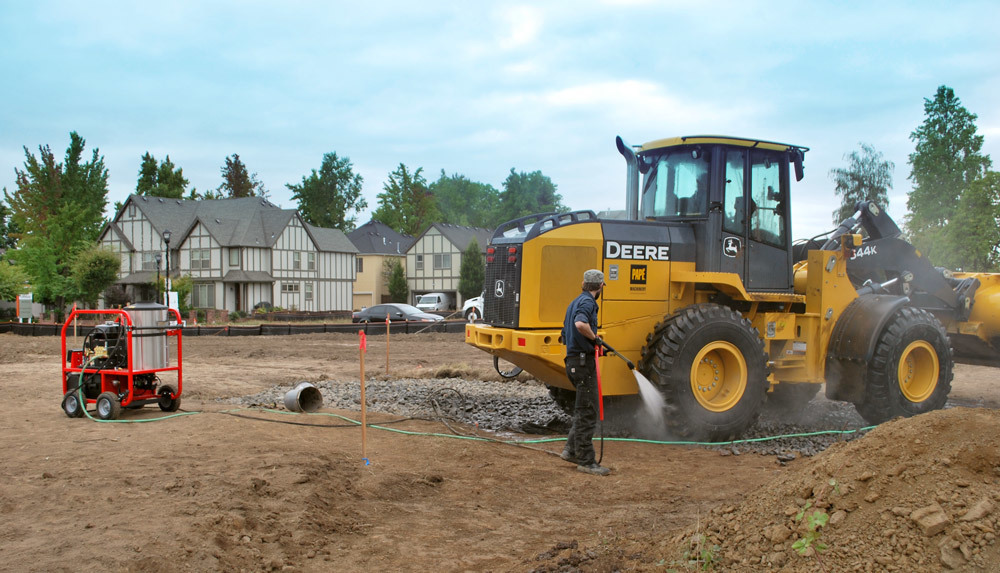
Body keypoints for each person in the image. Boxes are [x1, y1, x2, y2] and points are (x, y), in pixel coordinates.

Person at [560, 269, 611, 476]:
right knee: (588, 412)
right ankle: (586, 461)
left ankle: (571, 450)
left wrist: (591, 345)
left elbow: (565, 334)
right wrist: (594, 339)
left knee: (582, 409)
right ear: (600, 287)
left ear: (583, 283)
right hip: (582, 364)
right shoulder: (588, 303)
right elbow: (580, 324)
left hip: (573, 361)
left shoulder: (574, 302)